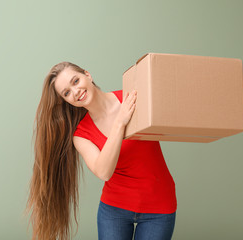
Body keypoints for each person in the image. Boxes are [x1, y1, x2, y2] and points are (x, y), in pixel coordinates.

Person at [26, 62, 177, 240]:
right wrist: (120, 122)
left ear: (87, 75)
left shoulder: (131, 100)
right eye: (66, 93)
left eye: (75, 81)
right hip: (115, 210)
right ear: (65, 101)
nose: (75, 92)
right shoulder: (81, 135)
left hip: (159, 206)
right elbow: (104, 172)